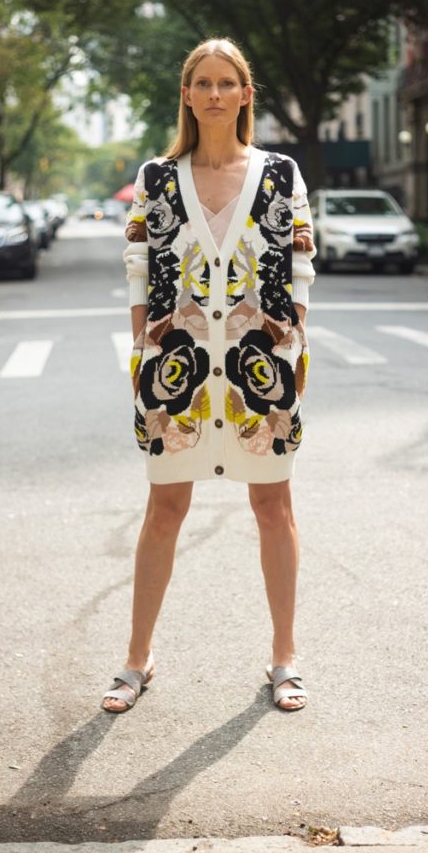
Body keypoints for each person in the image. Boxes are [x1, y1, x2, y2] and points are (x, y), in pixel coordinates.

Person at [101, 37, 316, 715]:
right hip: (176, 374)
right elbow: (138, 267)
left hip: (261, 373)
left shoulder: (281, 173)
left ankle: (284, 659)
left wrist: (289, 346)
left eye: (228, 83)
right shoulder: (156, 177)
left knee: (273, 508)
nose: (216, 93)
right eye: (204, 83)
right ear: (187, 96)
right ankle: (136, 658)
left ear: (246, 95)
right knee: (163, 510)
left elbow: (301, 265)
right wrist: (143, 351)